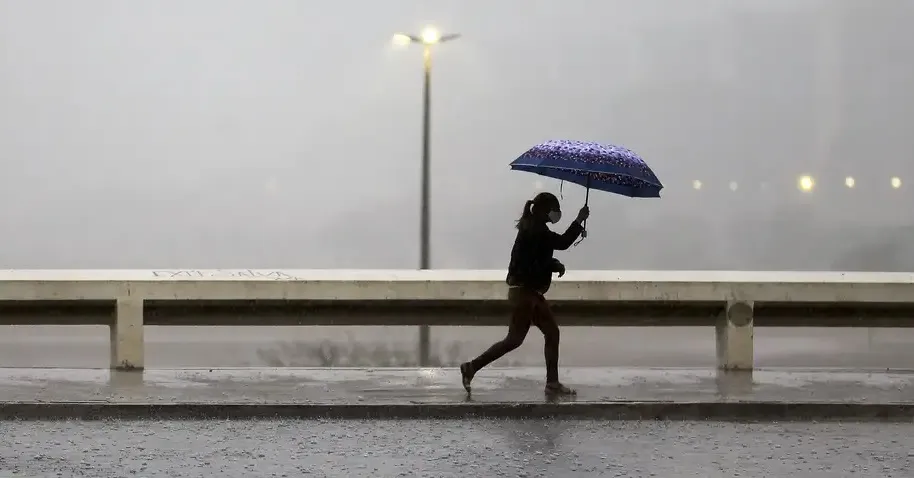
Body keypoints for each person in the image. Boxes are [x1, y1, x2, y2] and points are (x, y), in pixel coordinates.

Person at [460, 192, 589, 396]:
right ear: (546, 211)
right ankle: (471, 367)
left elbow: (537, 258)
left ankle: (552, 383)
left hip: (530, 293)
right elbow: (562, 243)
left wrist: (553, 264)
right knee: (514, 340)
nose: (557, 213)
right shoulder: (536, 230)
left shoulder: (533, 228)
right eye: (555, 209)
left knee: (551, 332)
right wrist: (579, 220)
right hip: (524, 294)